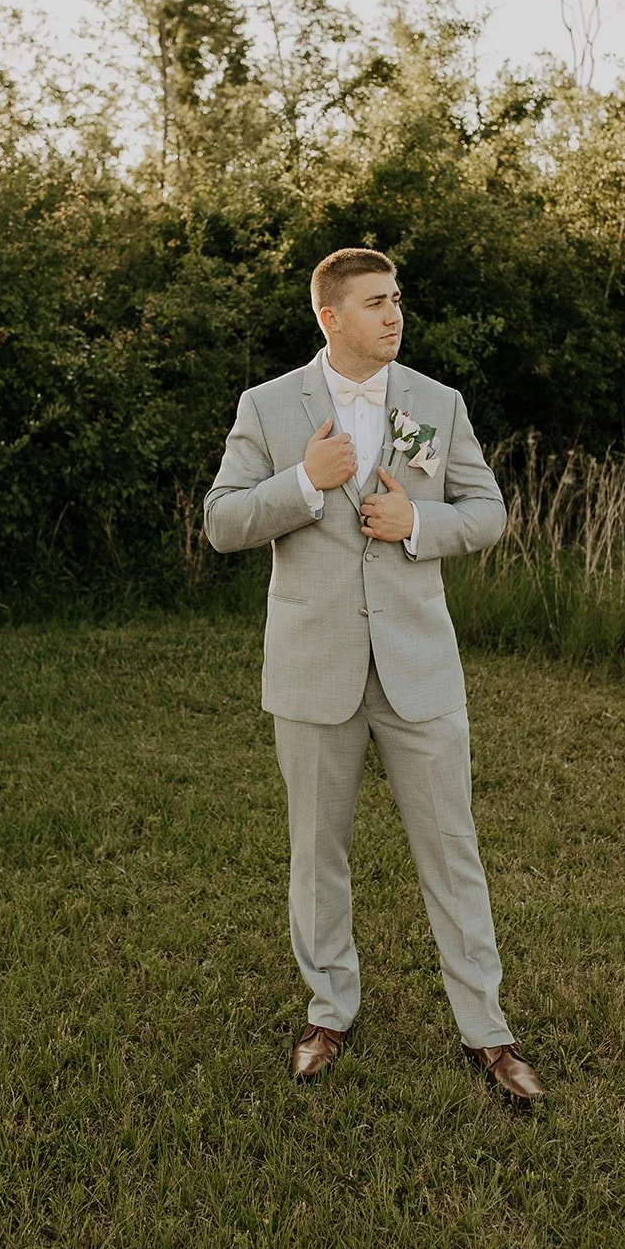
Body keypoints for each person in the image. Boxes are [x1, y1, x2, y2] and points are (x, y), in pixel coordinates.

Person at [203, 248, 544, 1102]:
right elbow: (221, 522)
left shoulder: (438, 402)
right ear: (330, 317)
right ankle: (328, 1013)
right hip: (313, 669)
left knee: (452, 852)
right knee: (317, 853)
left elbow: (488, 512)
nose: (393, 315)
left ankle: (486, 1030)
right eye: (374, 303)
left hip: (417, 670)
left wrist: (415, 522)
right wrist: (301, 484)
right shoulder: (267, 405)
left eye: (396, 299)